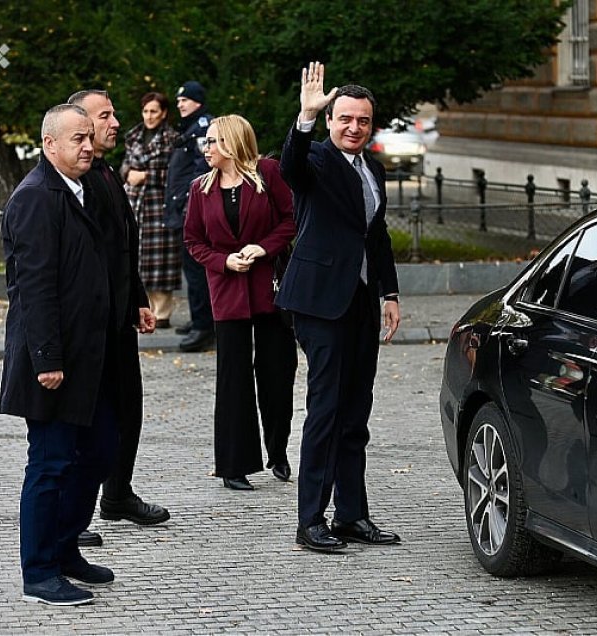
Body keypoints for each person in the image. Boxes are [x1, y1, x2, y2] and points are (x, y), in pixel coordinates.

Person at [275, 62, 401, 552]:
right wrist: (304, 117)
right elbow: (290, 166)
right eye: (344, 118)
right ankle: (312, 521)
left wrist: (388, 294)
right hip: (318, 303)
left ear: (371, 125)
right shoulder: (317, 161)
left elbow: (377, 236)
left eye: (363, 121)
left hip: (361, 304)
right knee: (326, 411)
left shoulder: (374, 169)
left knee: (355, 414)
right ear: (331, 121)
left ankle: (351, 515)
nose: (354, 127)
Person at [1, 104, 119, 605]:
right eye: (77, 138)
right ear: (50, 144)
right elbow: (34, 287)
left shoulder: (81, 189)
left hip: (89, 359)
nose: (88, 145)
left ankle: (66, 547)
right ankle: (39, 572)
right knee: (49, 464)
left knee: (98, 451)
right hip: (51, 362)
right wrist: (48, 358)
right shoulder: (35, 197)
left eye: (90, 137)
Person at [67, 89, 170, 532]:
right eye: (104, 115)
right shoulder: (76, 179)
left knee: (128, 407)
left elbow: (121, 246)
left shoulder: (106, 171)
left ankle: (118, 494)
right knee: (86, 418)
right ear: (81, 123)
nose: (114, 122)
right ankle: (72, 516)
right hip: (92, 322)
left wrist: (139, 299)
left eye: (112, 114)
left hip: (119, 316)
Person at [184, 114, 297, 491]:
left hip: (270, 288)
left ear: (232, 143)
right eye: (206, 141)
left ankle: (277, 449)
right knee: (232, 379)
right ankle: (234, 465)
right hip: (227, 292)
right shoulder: (200, 188)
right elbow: (194, 241)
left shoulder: (268, 172)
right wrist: (223, 261)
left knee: (277, 373)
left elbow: (290, 219)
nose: (207, 148)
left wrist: (263, 247)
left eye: (214, 141)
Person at [121, 91, 180, 329]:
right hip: (135, 201)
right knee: (137, 254)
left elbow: (176, 174)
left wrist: (146, 175)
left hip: (159, 203)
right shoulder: (134, 135)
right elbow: (125, 163)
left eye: (154, 111)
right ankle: (143, 307)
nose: (149, 116)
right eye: (146, 111)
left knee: (161, 258)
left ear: (164, 113)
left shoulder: (173, 139)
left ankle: (163, 311)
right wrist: (128, 174)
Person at [164, 80, 214, 352]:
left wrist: (186, 199)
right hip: (185, 209)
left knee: (197, 273)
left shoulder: (203, 128)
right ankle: (199, 318)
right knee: (192, 272)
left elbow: (203, 166)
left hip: (192, 210)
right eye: (179, 100)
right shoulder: (192, 128)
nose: (180, 104)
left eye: (185, 99)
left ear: (197, 101)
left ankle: (204, 327)